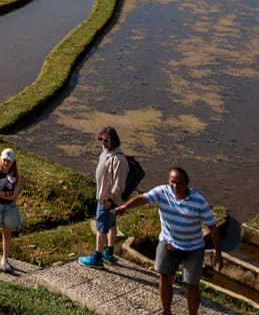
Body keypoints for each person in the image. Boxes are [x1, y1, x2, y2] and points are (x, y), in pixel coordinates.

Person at [113, 166, 222, 315]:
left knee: (192, 285)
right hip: (168, 243)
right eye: (172, 182)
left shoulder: (199, 201)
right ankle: (166, 312)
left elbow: (212, 227)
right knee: (164, 277)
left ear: (187, 183)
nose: (175, 186)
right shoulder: (162, 192)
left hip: (193, 247)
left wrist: (218, 254)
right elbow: (143, 198)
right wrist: (125, 207)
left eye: (179, 183)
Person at [79, 126, 130, 267]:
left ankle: (97, 258)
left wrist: (109, 200)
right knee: (112, 225)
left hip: (108, 200)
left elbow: (119, 185)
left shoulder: (119, 159)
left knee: (101, 228)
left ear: (114, 141)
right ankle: (109, 253)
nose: (102, 143)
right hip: (104, 197)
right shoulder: (106, 153)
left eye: (106, 140)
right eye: (100, 139)